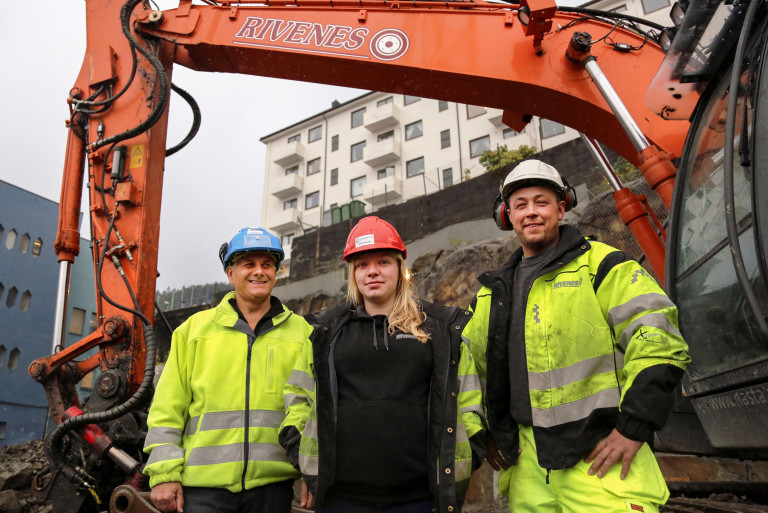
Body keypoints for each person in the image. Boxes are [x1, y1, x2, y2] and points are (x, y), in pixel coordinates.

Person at [463, 160, 691, 513]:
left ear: (562, 206)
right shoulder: (492, 294)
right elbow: (467, 368)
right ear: (507, 216)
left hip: (600, 456)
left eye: (541, 202)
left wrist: (634, 426)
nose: (532, 213)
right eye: (521, 205)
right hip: (527, 463)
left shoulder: (603, 266)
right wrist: (482, 433)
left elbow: (658, 339)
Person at [279, 216, 485, 513]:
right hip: (342, 499)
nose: (372, 271)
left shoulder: (440, 330)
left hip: (421, 498)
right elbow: (299, 397)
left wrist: (467, 454)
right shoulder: (324, 332)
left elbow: (469, 400)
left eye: (383, 262)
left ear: (401, 268)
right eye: (362, 264)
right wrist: (305, 461)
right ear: (352, 274)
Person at [143, 227, 313, 513]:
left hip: (273, 489)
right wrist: (163, 473)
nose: (259, 271)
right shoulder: (193, 332)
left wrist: (313, 470)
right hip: (203, 491)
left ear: (277, 272)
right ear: (230, 273)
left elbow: (312, 409)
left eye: (267, 264)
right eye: (249, 264)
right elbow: (166, 410)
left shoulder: (303, 333)